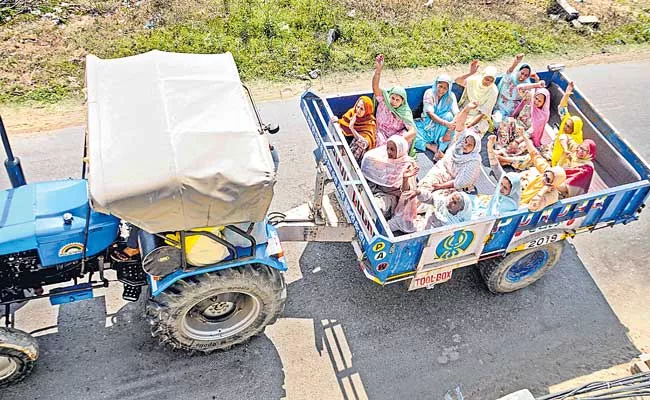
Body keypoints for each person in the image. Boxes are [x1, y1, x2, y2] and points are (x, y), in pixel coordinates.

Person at [417, 102, 482, 192]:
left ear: (475, 148)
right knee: (423, 189)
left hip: (454, 185)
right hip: (442, 170)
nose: (465, 145)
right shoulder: (459, 145)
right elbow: (460, 125)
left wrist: (439, 186)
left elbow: (459, 183)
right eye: (466, 142)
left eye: (469, 145)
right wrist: (466, 109)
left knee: (437, 200)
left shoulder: (473, 162)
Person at [495, 83, 551, 170]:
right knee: (507, 121)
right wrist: (536, 85)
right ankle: (500, 147)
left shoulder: (543, 116)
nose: (536, 101)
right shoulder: (529, 101)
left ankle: (505, 155)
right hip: (517, 126)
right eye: (536, 98)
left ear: (544, 103)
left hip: (526, 135)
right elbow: (520, 88)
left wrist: (518, 141)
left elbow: (531, 131)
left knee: (525, 145)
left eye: (539, 101)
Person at [361, 135, 419, 219]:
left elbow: (406, 193)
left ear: (400, 150)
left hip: (389, 195)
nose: (388, 152)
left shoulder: (408, 165)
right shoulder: (380, 156)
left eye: (392, 149)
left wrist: (405, 178)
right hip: (374, 187)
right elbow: (368, 160)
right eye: (387, 148)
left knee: (375, 208)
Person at [510, 128, 566, 211]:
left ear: (553, 184)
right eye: (545, 175)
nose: (544, 178)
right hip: (516, 198)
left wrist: (542, 191)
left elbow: (532, 207)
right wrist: (524, 136)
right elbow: (534, 154)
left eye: (548, 179)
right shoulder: (546, 171)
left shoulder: (552, 195)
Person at [372, 54, 417, 149]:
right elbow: (375, 86)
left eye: (398, 100)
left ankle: (397, 159)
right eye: (393, 98)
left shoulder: (404, 111)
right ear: (390, 96)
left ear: (402, 102)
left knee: (404, 141)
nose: (394, 101)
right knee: (382, 144)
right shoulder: (384, 100)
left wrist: (397, 142)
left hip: (396, 136)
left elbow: (412, 131)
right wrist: (378, 70)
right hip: (381, 132)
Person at [413, 74, 459, 160]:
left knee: (449, 117)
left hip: (442, 127)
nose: (441, 90)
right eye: (440, 86)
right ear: (436, 84)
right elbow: (430, 114)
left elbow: (457, 113)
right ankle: (432, 147)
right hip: (427, 125)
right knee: (411, 134)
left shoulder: (451, 96)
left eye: (445, 88)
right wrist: (446, 123)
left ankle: (440, 150)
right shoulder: (429, 93)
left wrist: (448, 131)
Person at [455, 60, 498, 135]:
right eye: (486, 79)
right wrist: (470, 73)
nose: (488, 82)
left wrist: (471, 124)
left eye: (491, 81)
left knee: (472, 134)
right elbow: (458, 80)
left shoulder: (493, 91)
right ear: (483, 76)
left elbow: (485, 111)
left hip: (479, 117)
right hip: (465, 110)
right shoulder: (473, 81)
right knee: (456, 129)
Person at [492, 54, 538, 124]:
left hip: (515, 110)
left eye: (526, 75)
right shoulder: (510, 78)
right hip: (501, 106)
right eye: (522, 73)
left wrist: (537, 79)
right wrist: (515, 63)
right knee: (497, 121)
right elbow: (509, 72)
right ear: (518, 71)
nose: (522, 77)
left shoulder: (527, 84)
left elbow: (535, 95)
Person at [401, 190, 473, 230]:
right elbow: (430, 198)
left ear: (461, 209)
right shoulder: (443, 202)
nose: (450, 202)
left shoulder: (459, 224)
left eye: (455, 202)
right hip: (425, 225)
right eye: (452, 198)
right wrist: (418, 192)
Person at [552, 81, 584, 167]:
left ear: (574, 130)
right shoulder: (567, 119)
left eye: (568, 127)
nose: (565, 127)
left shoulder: (576, 140)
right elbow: (562, 107)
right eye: (565, 124)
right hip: (555, 150)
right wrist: (566, 94)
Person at [338, 95, 377, 162]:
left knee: (360, 144)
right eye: (357, 107)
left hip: (357, 152)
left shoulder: (370, 123)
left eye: (362, 109)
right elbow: (343, 123)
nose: (358, 110)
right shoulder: (352, 113)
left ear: (367, 111)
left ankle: (349, 162)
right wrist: (337, 120)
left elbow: (365, 143)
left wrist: (352, 128)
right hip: (348, 142)